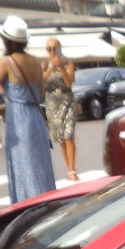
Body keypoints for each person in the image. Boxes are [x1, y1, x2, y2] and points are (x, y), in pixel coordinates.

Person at [0, 15, 54, 204]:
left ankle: (28, 204)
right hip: (35, 116)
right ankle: (45, 200)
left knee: (23, 162)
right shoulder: (35, 61)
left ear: (6, 40)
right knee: (39, 163)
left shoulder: (6, 61)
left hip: (18, 116)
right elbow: (42, 92)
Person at [42, 36, 79, 180]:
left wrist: (61, 67)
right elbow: (41, 82)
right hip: (52, 104)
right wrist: (51, 67)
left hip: (67, 102)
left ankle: (72, 169)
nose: (52, 51)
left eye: (54, 48)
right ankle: (68, 166)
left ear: (60, 48)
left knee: (69, 135)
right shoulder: (44, 65)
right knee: (61, 138)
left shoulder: (68, 63)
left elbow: (69, 83)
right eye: (49, 48)